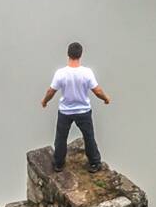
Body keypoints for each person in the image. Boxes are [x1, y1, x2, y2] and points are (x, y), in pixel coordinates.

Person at [41, 42, 111, 171]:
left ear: (68, 54)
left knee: (61, 138)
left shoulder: (60, 73)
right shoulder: (87, 73)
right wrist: (105, 98)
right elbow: (97, 91)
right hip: (83, 110)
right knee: (89, 136)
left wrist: (45, 101)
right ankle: (94, 163)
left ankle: (58, 163)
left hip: (65, 111)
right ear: (81, 55)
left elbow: (51, 91)